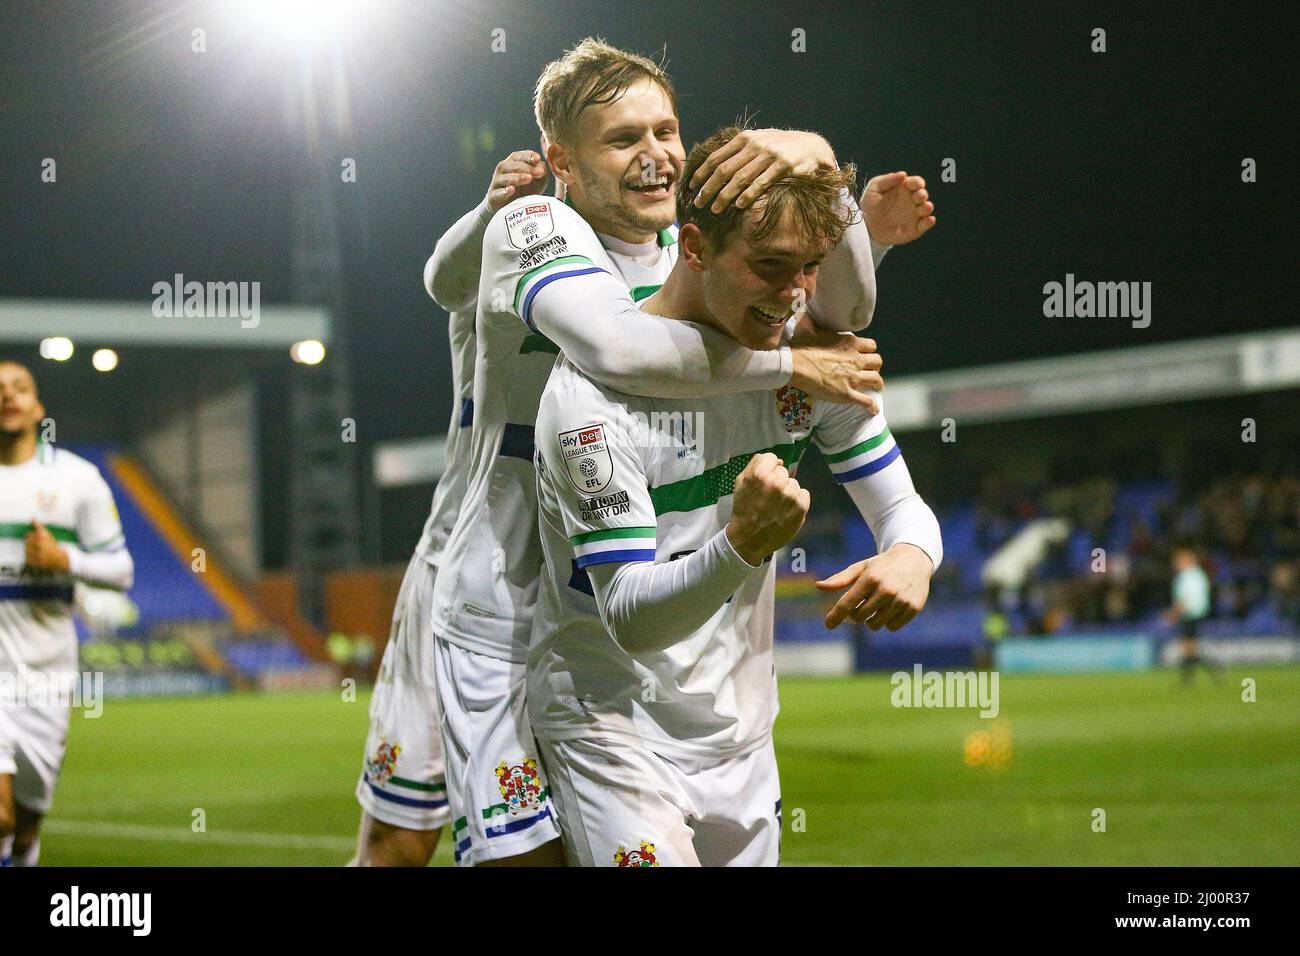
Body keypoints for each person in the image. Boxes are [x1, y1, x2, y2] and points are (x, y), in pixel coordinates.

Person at [424, 37, 932, 866]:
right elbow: (621, 350)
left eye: (667, 130)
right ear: (562, 161)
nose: (657, 154)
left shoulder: (686, 251)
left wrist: (819, 172)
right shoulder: (536, 228)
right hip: (504, 608)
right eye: (625, 139)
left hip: (633, 620)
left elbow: (840, 311)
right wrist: (793, 361)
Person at [529, 128, 942, 865]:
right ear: (693, 247)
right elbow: (628, 614)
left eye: (808, 269)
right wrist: (742, 544)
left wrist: (912, 555)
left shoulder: (805, 362)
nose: (791, 294)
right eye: (770, 266)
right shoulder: (592, 400)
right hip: (612, 729)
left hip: (741, 733)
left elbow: (902, 506)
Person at [0, 360, 134, 867]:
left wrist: (64, 560)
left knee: (26, 826)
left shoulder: (79, 480)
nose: (7, 396)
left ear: (37, 407)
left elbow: (121, 570)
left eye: (19, 388)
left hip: (45, 674)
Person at [1165, 544, 1222, 684]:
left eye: (1179, 560)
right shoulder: (1195, 574)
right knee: (1188, 648)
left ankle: (1208, 668)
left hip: (1191, 614)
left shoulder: (1190, 576)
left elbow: (1188, 598)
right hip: (1192, 613)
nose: (1176, 563)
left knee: (1188, 648)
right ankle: (1192, 676)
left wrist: (1174, 613)